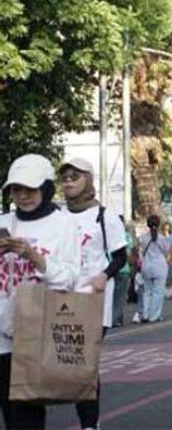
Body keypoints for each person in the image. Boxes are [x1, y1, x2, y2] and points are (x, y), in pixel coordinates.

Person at [0, 154, 80, 428]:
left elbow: (68, 278)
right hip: (2, 331)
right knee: (9, 412)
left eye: (30, 189)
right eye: (16, 189)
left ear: (46, 188)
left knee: (26, 413)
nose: (23, 196)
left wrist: (35, 257)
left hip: (36, 329)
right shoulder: (5, 222)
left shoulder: (63, 224)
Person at [58, 157, 129, 430]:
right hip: (62, 296)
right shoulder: (58, 215)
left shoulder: (104, 216)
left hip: (94, 297)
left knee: (84, 364)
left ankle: (89, 424)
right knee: (69, 363)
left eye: (75, 177)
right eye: (65, 178)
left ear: (88, 180)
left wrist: (103, 275)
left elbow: (121, 257)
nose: (69, 183)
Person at [138, 215, 170, 322]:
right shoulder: (161, 238)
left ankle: (145, 314)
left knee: (147, 292)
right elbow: (166, 251)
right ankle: (154, 315)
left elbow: (141, 251)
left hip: (146, 266)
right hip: (160, 266)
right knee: (158, 291)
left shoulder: (143, 238)